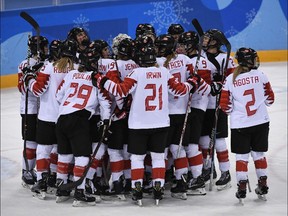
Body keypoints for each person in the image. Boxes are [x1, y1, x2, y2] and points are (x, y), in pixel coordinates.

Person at [92, 43, 201, 206]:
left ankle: (137, 188)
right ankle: (158, 186)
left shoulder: (136, 73)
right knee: (158, 157)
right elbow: (179, 90)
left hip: (138, 124)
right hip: (161, 123)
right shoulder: (164, 72)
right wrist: (193, 82)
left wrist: (102, 80)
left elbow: (120, 91)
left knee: (137, 158)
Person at [54, 45, 111, 207]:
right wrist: (106, 120)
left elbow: (59, 95)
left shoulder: (72, 74)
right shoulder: (97, 78)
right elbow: (105, 102)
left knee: (64, 155)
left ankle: (62, 188)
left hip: (62, 118)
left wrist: (68, 105)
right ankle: (80, 192)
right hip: (79, 119)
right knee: (83, 157)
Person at [23, 39, 79, 199]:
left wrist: (29, 78)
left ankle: (41, 181)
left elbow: (38, 90)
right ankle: (59, 180)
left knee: (43, 150)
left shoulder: (49, 67)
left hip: (47, 117)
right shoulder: (77, 69)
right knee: (62, 151)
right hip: (67, 117)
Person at [219, 47, 274, 202]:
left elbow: (225, 106)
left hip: (240, 125)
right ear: (249, 60)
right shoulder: (261, 75)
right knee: (259, 154)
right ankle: (263, 183)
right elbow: (270, 100)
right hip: (261, 122)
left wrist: (237, 112)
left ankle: (242, 186)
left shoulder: (230, 79)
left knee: (242, 157)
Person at [177, 31, 215, 195]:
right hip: (188, 106)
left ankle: (198, 178)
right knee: (189, 144)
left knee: (192, 144)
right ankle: (195, 175)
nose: (182, 47)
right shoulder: (187, 60)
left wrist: (196, 81)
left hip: (197, 107)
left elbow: (207, 88)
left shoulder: (202, 62)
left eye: (184, 44)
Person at [199, 29, 235, 190]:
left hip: (218, 104)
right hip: (203, 104)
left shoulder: (226, 59)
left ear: (216, 41)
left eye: (208, 39)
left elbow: (232, 81)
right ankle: (208, 168)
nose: (205, 41)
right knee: (204, 139)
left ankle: (225, 172)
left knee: (219, 140)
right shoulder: (201, 56)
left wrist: (221, 83)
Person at [18, 35, 49, 189]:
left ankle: (41, 170)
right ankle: (27, 170)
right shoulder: (25, 64)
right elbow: (22, 89)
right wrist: (29, 76)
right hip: (29, 109)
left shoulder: (47, 63)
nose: (46, 49)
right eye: (44, 46)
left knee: (43, 142)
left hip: (43, 109)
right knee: (30, 142)